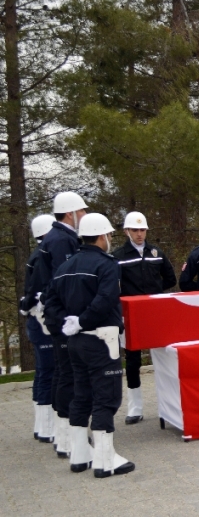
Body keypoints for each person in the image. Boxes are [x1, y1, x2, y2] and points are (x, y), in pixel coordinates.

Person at [43, 213, 135, 478]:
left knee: (81, 394)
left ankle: (80, 455)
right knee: (106, 397)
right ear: (102, 236)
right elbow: (106, 298)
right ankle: (105, 460)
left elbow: (51, 302)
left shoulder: (65, 266)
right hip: (100, 338)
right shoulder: (107, 264)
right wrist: (82, 321)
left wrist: (68, 322)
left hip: (75, 341)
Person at [27, 191, 87, 458]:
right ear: (69, 213)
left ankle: (61, 431)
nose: (84, 216)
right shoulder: (61, 240)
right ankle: (65, 434)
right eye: (81, 212)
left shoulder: (57, 238)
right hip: (62, 316)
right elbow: (66, 282)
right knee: (68, 374)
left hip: (57, 314)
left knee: (63, 373)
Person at [112, 211, 177, 424]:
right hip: (132, 315)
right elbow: (113, 285)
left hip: (155, 312)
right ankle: (135, 408)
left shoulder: (156, 252)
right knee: (132, 361)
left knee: (164, 357)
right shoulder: (119, 256)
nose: (139, 234)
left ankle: (168, 406)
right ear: (126, 231)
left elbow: (170, 278)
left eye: (142, 230)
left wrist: (154, 292)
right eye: (135, 230)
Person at [19, 215, 56, 443]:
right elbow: (36, 293)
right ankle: (46, 425)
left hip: (35, 320)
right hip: (40, 321)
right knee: (48, 371)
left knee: (42, 371)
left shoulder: (37, 255)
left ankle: (41, 423)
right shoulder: (41, 257)